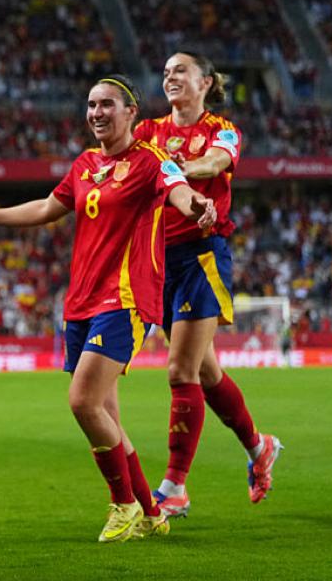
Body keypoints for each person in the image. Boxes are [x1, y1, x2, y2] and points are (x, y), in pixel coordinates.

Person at [0, 74, 217, 544]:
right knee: (106, 414)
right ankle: (151, 512)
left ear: (131, 112)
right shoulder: (86, 164)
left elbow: (180, 191)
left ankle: (124, 504)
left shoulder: (151, 162)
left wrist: (198, 207)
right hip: (81, 303)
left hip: (126, 300)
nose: (96, 112)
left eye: (107, 104)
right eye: (91, 105)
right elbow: (46, 209)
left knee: (83, 401)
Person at [134, 52, 282, 515]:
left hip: (202, 255)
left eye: (180, 71)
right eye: (165, 73)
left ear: (205, 81)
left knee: (180, 370)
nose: (170, 77)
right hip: (160, 261)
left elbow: (214, 163)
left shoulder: (222, 129)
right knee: (205, 372)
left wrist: (176, 167)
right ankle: (260, 447)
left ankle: (175, 486)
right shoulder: (146, 132)